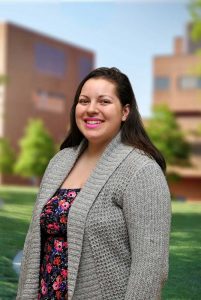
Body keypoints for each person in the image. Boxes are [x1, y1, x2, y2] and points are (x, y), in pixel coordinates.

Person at [17, 67, 171, 300]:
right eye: (84, 101)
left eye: (104, 101)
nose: (91, 109)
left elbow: (151, 268)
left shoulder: (141, 171)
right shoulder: (60, 161)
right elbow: (33, 246)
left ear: (125, 111)